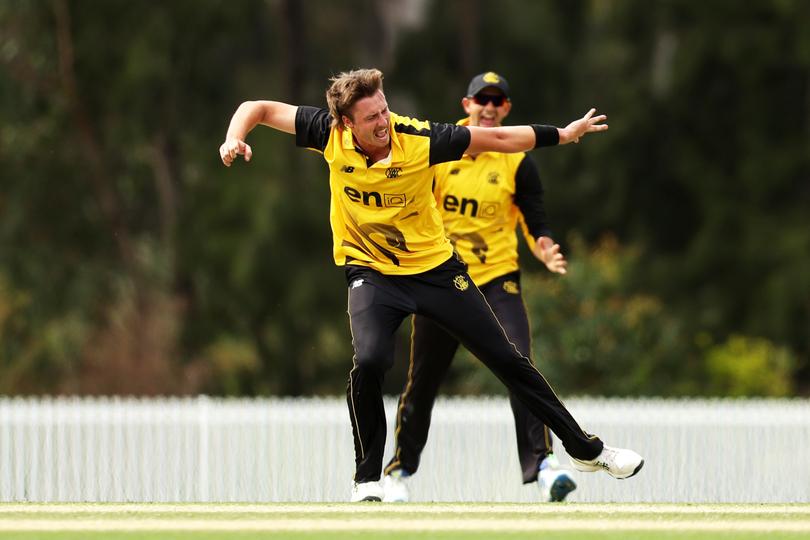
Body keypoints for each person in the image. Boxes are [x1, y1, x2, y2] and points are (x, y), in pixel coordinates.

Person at [219, 68, 644, 503]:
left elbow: (495, 140)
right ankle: (368, 479)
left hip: (436, 272)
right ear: (347, 123)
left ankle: (586, 450)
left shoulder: (419, 138)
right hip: (372, 273)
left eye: (384, 110)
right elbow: (259, 108)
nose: (383, 122)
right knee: (369, 360)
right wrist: (234, 137)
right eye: (371, 118)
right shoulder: (327, 133)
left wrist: (563, 134)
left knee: (508, 359)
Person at [383, 72, 577, 503]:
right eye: (481, 100)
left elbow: (535, 218)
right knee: (423, 380)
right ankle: (398, 472)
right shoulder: (441, 149)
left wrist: (544, 248)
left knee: (519, 363)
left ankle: (544, 465)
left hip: (495, 279)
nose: (489, 108)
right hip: (441, 280)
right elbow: (409, 203)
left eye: (498, 101)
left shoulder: (516, 159)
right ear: (466, 104)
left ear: (506, 109)